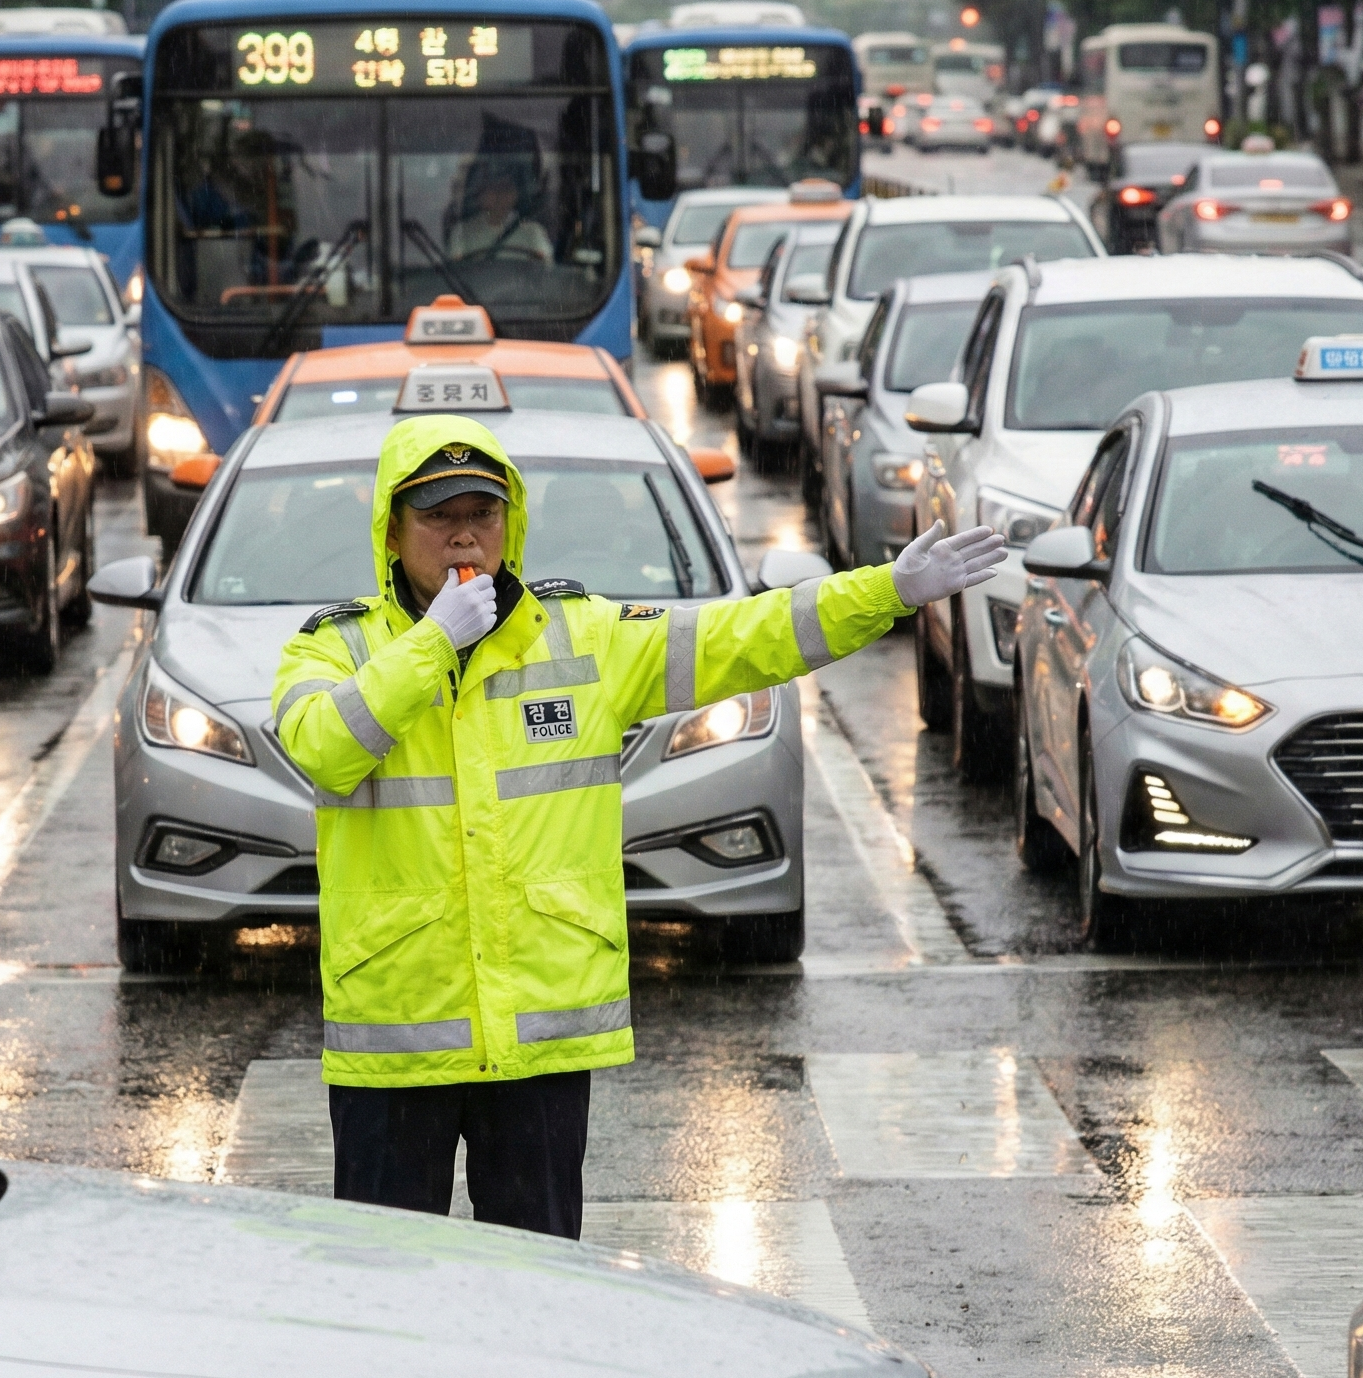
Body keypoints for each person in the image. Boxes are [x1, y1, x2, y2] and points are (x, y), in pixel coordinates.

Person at [272, 415, 1006, 1238]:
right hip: (397, 1044)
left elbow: (743, 638)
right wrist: (434, 644)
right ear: (393, 531)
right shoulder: (333, 650)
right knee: (384, 1292)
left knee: (541, 1287)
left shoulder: (580, 636)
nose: (463, 536)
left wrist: (886, 592)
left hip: (540, 1040)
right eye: (438, 516)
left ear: (510, 521)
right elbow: (326, 751)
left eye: (482, 512)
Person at [444, 165, 553, 264]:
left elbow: (546, 268)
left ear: (515, 195)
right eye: (493, 188)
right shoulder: (462, 232)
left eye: (506, 188)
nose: (500, 195)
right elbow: (455, 270)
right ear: (480, 195)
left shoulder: (533, 232)